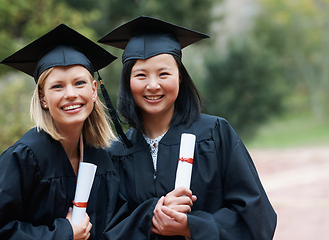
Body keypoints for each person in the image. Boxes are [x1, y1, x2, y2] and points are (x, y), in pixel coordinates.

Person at [98, 16, 277, 239]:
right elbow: (106, 228)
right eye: (141, 75)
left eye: (164, 73)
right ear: (128, 82)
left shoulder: (215, 134)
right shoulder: (116, 153)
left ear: (180, 77)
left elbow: (256, 216)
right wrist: (151, 214)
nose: (153, 85)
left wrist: (192, 227)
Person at [0, 24, 120, 240]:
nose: (71, 94)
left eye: (79, 83)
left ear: (94, 90)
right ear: (43, 98)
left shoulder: (101, 155)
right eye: (57, 86)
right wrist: (64, 234)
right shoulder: (24, 157)